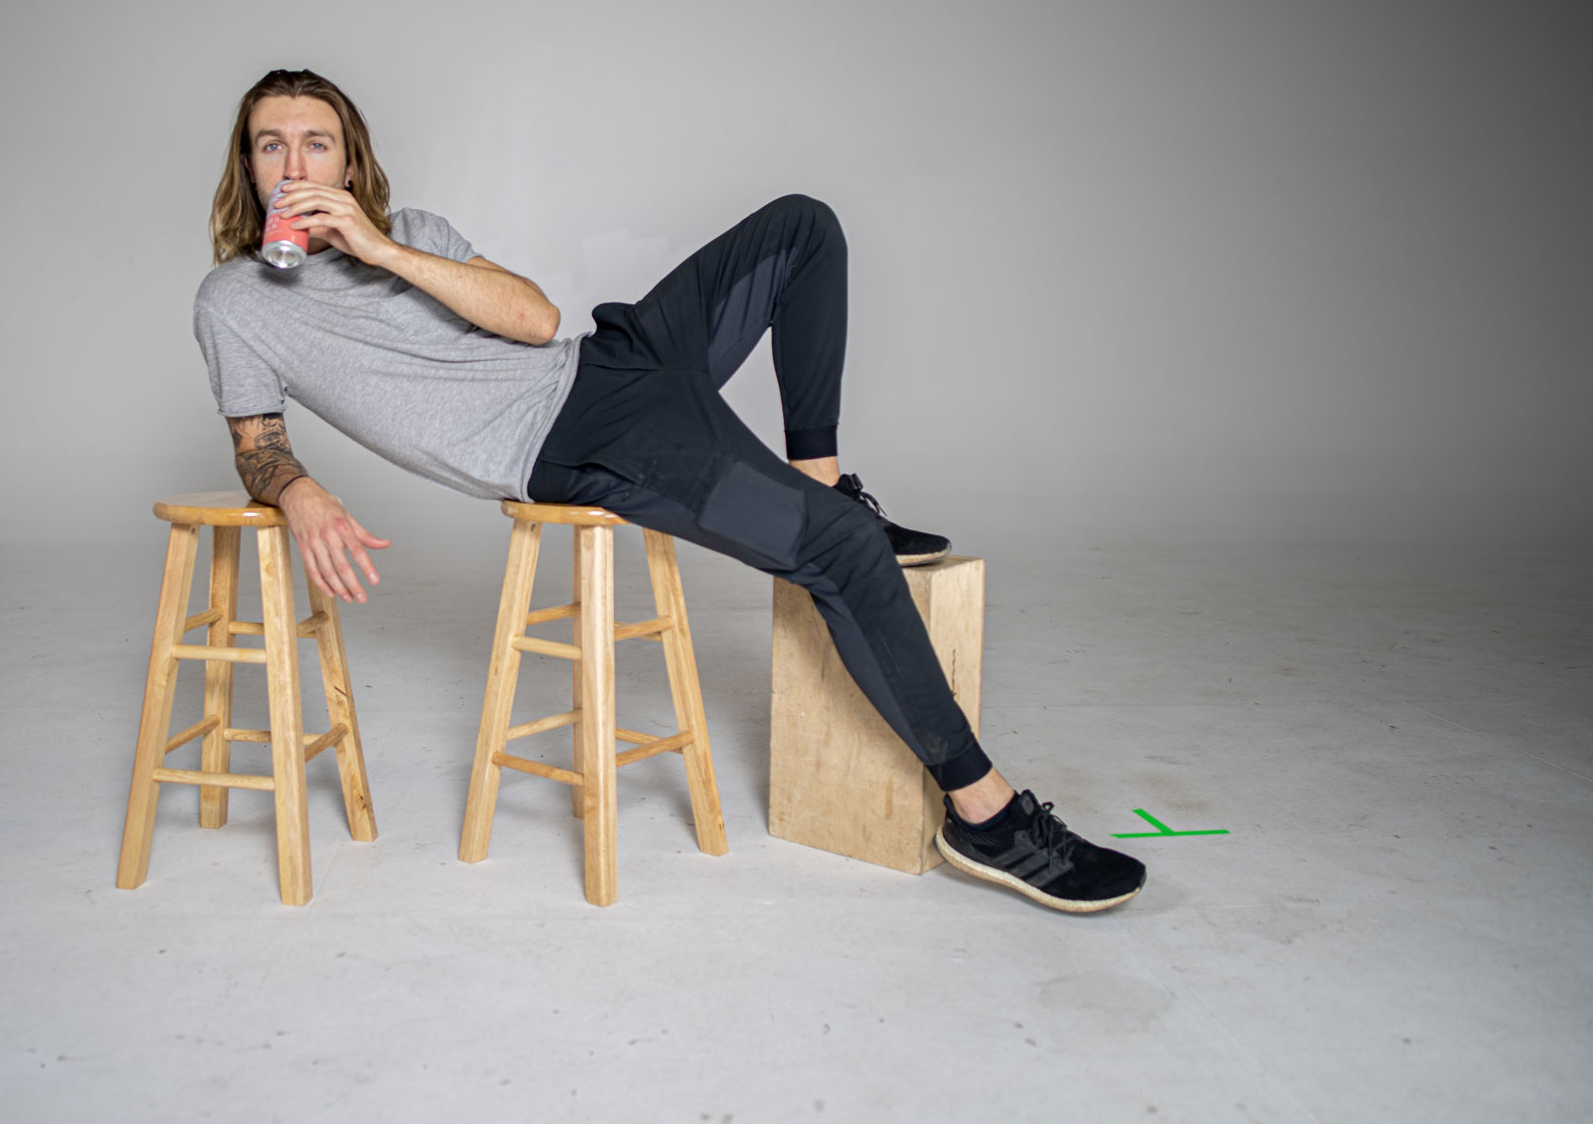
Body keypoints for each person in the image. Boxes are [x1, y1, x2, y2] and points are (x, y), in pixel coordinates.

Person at [192, 68, 1147, 913]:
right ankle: (986, 814)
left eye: (316, 141)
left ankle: (823, 483)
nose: (295, 161)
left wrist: (384, 250)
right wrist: (298, 492)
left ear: (348, 162)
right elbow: (258, 446)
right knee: (843, 557)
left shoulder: (414, 236)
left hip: (615, 360)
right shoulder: (233, 303)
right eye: (272, 143)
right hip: (574, 443)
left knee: (803, 226)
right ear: (250, 163)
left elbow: (536, 319)